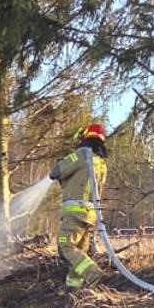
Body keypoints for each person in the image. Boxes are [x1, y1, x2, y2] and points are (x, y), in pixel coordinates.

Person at [49, 123, 108, 288]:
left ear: (85, 137)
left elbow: (55, 172)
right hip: (89, 215)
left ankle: (94, 274)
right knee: (79, 253)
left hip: (74, 213)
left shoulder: (81, 155)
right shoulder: (101, 164)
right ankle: (75, 288)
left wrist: (62, 162)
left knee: (65, 246)